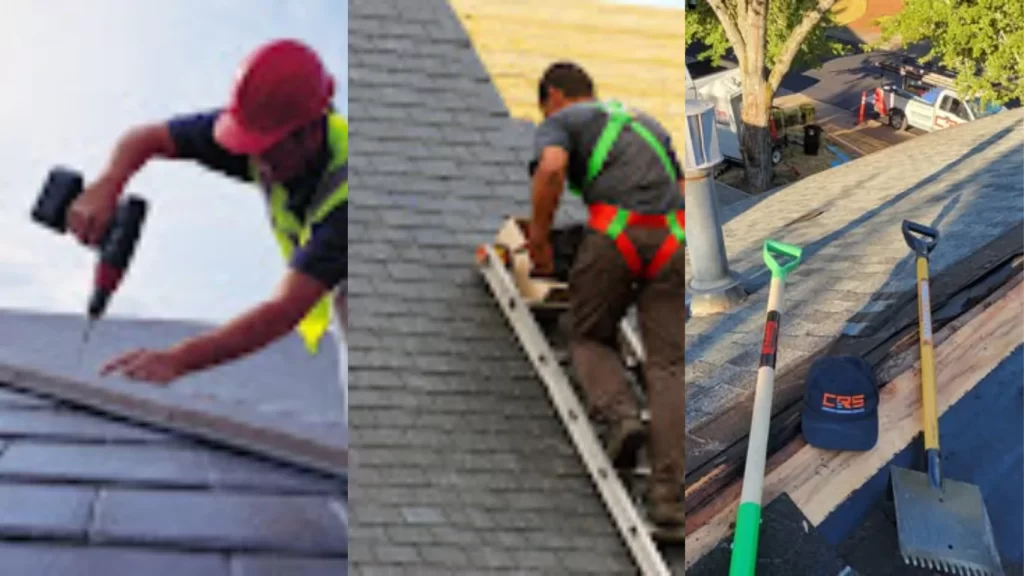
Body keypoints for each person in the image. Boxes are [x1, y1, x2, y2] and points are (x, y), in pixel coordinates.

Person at [66, 38, 348, 390]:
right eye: (250, 148)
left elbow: (283, 310)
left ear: (307, 134)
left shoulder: (349, 201)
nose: (257, 163)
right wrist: (108, 184)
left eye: (268, 153)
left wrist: (179, 359)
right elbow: (147, 137)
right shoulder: (264, 129)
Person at [528, 61, 687, 530]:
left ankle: (621, 417)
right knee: (668, 366)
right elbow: (680, 188)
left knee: (587, 334)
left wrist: (539, 241)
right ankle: (669, 497)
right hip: (673, 243)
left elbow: (551, 170)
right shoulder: (648, 124)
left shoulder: (562, 121)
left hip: (616, 235)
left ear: (554, 95)